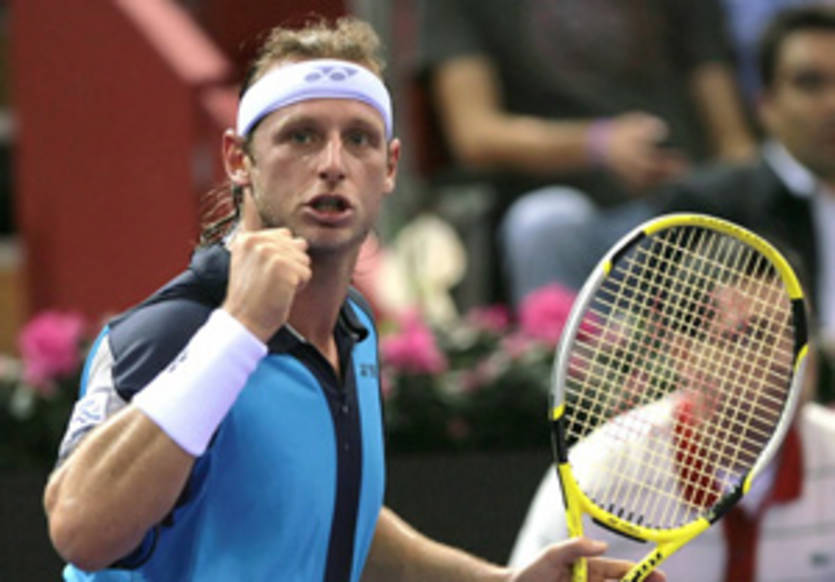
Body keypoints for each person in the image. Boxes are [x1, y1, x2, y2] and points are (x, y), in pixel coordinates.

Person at [41, 17, 665, 582]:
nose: (333, 164)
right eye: (302, 137)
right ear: (238, 159)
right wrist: (238, 331)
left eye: (360, 139)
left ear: (390, 167)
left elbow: (330, 514)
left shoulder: (354, 329)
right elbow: (79, 530)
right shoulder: (171, 331)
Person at [509, 10, 835, 577]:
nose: (786, 359)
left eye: (797, 335)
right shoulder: (598, 477)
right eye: (748, 336)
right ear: (681, 350)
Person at [418, 0, 756, 305]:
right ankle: (553, 349)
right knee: (546, 222)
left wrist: (729, 194)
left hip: (680, 216)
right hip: (560, 225)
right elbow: (475, 136)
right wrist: (598, 144)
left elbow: (732, 138)